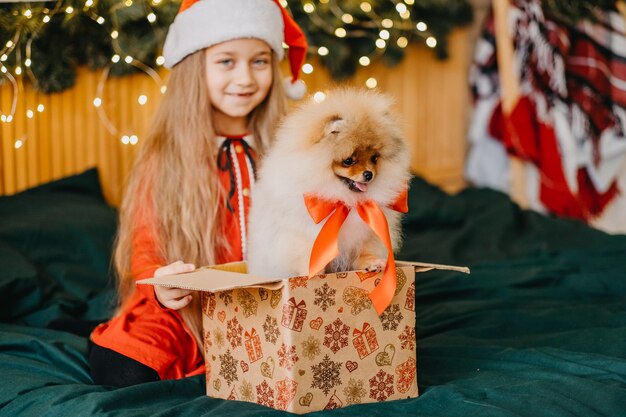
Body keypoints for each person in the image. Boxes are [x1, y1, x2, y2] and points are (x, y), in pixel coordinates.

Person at [89, 0, 307, 387]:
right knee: (126, 363)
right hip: (190, 307)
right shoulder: (167, 155)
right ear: (195, 68)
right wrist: (160, 281)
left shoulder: (293, 146)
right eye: (226, 61)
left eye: (259, 61)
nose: (245, 79)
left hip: (274, 299)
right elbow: (146, 241)